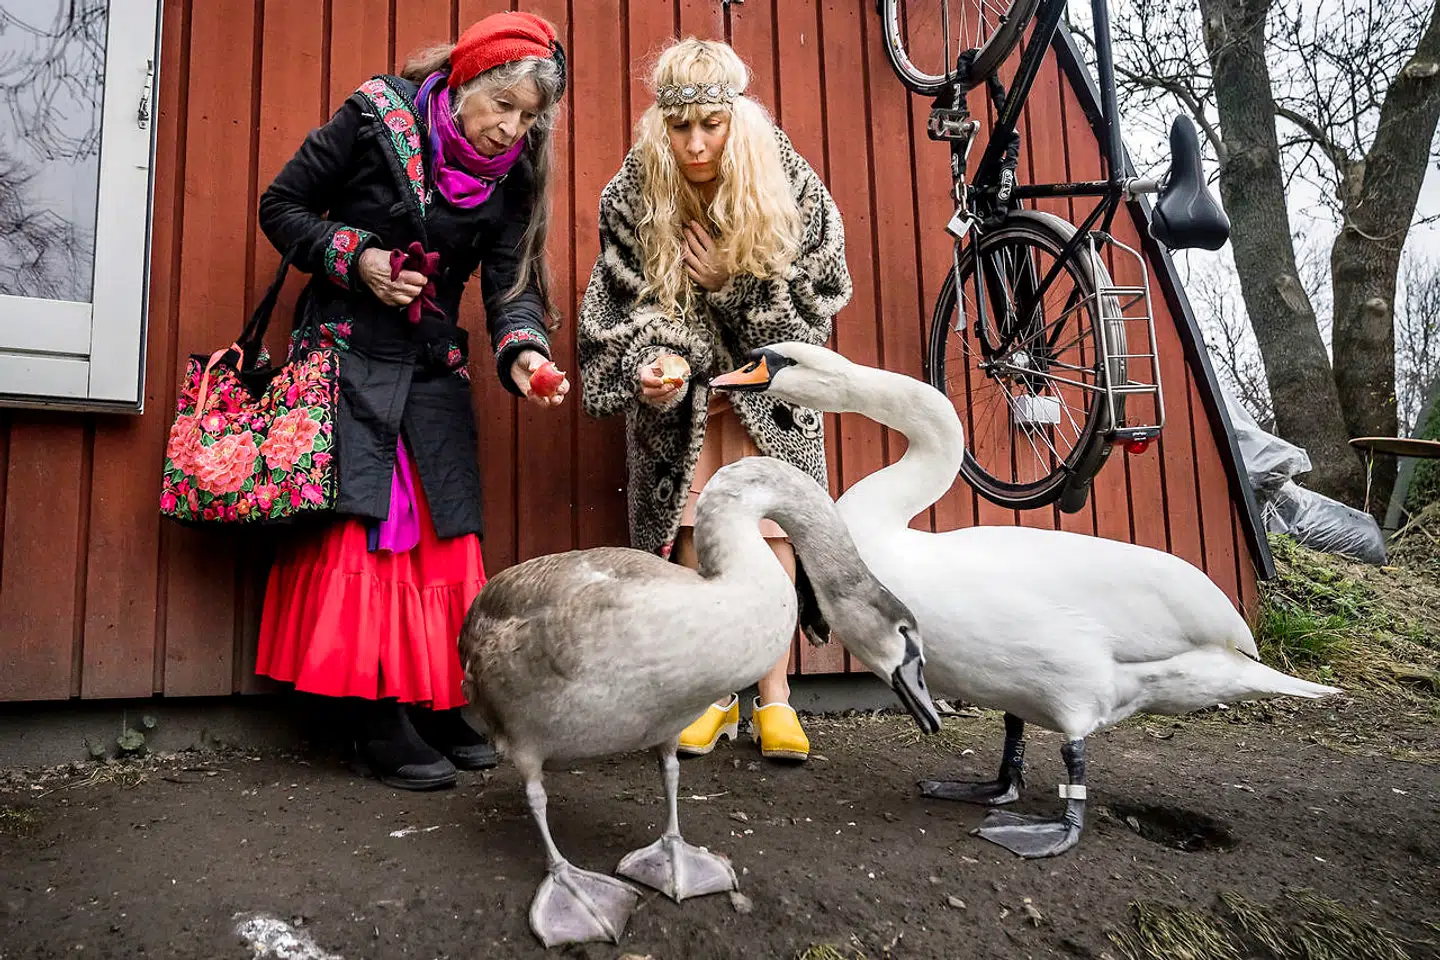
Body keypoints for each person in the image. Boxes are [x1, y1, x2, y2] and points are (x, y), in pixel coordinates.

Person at [254, 12, 571, 791]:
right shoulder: (375, 116)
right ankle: (373, 711)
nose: (511, 128)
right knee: (377, 525)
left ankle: (433, 699)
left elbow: (512, 286)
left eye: (528, 116)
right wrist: (357, 257)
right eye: (503, 105)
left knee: (442, 529)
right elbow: (282, 206)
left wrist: (526, 355)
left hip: (429, 363)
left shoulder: (514, 173)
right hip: (346, 354)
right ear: (466, 82)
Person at [578, 38, 852, 763]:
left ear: (738, 118)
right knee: (693, 524)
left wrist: (736, 281)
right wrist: (653, 361)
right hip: (690, 398)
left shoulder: (788, 180)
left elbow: (817, 306)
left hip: (768, 390)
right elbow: (618, 304)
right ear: (659, 127)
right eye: (679, 127)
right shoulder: (633, 194)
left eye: (711, 124)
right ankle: (710, 694)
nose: (695, 143)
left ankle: (775, 698)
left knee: (774, 529)